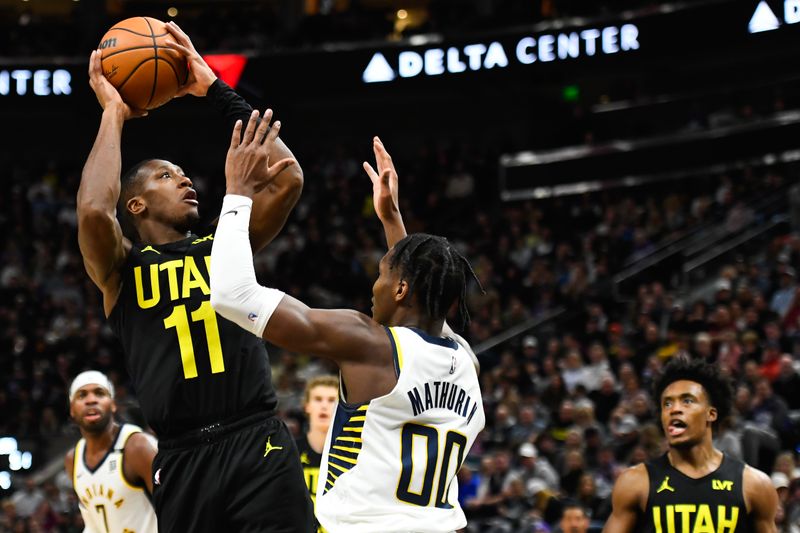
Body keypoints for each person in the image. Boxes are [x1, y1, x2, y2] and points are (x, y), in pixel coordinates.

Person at [76, 21, 314, 532]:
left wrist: (213, 89)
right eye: (166, 175)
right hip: (181, 457)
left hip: (258, 439)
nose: (184, 178)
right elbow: (95, 212)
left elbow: (288, 176)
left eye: (183, 172)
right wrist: (114, 114)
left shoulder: (224, 244)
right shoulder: (122, 271)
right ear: (135, 204)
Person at [209, 134, 485, 532]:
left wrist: (236, 193)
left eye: (381, 276)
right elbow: (426, 308)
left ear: (401, 289)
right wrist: (392, 221)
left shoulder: (369, 342)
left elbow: (232, 295)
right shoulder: (465, 361)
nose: (374, 288)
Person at [603, 356, 778, 533]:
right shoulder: (635, 482)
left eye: (687, 401)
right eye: (667, 403)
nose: (674, 409)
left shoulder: (754, 484)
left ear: (711, 414)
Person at [64, 370, 158, 533]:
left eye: (99, 393)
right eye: (82, 395)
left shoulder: (137, 446)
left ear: (113, 404)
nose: (91, 400)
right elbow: (93, 525)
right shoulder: (73, 459)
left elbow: (175, 511)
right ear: (72, 409)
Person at [296, 375, 339, 532]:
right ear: (307, 405)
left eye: (331, 400)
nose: (324, 406)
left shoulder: (354, 453)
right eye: (318, 399)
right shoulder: (290, 451)